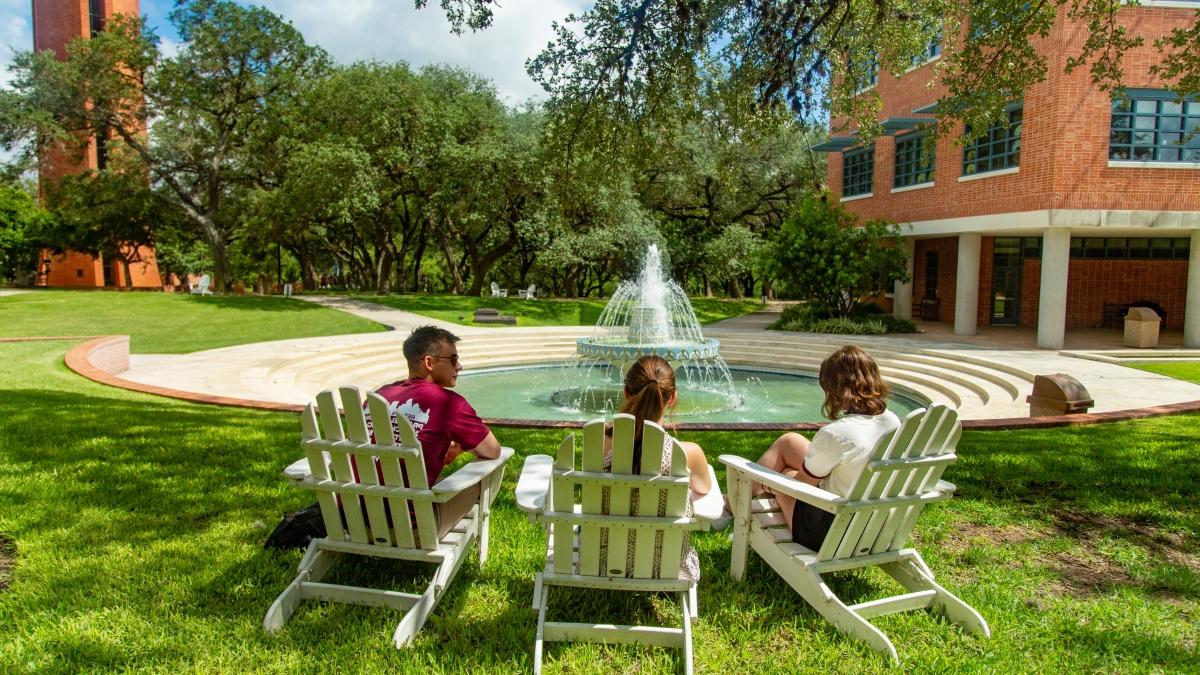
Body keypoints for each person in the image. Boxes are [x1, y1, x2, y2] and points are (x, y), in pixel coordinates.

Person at [754, 345, 900, 550]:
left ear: (834, 388)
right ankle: (730, 503)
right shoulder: (891, 421)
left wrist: (773, 483)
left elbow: (802, 487)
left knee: (788, 473)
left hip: (830, 532)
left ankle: (734, 503)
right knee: (789, 442)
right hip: (876, 523)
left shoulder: (836, 433)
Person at [371, 325, 502, 538]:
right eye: (452, 359)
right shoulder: (449, 404)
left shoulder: (380, 395)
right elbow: (492, 451)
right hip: (413, 528)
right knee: (493, 469)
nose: (459, 366)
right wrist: (460, 447)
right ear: (429, 362)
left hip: (349, 517)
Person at [603, 355, 719, 581]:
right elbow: (705, 489)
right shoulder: (688, 454)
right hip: (666, 566)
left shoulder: (601, 442)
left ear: (626, 392)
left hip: (603, 562)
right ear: (672, 398)